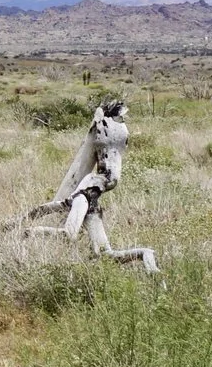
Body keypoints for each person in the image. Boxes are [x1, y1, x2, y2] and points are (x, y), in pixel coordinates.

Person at [22, 98, 159, 272]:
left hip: (92, 196)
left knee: (104, 254)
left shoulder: (115, 132)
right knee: (71, 234)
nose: (123, 120)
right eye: (120, 116)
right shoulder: (107, 131)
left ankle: (149, 263)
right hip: (90, 189)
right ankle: (29, 232)